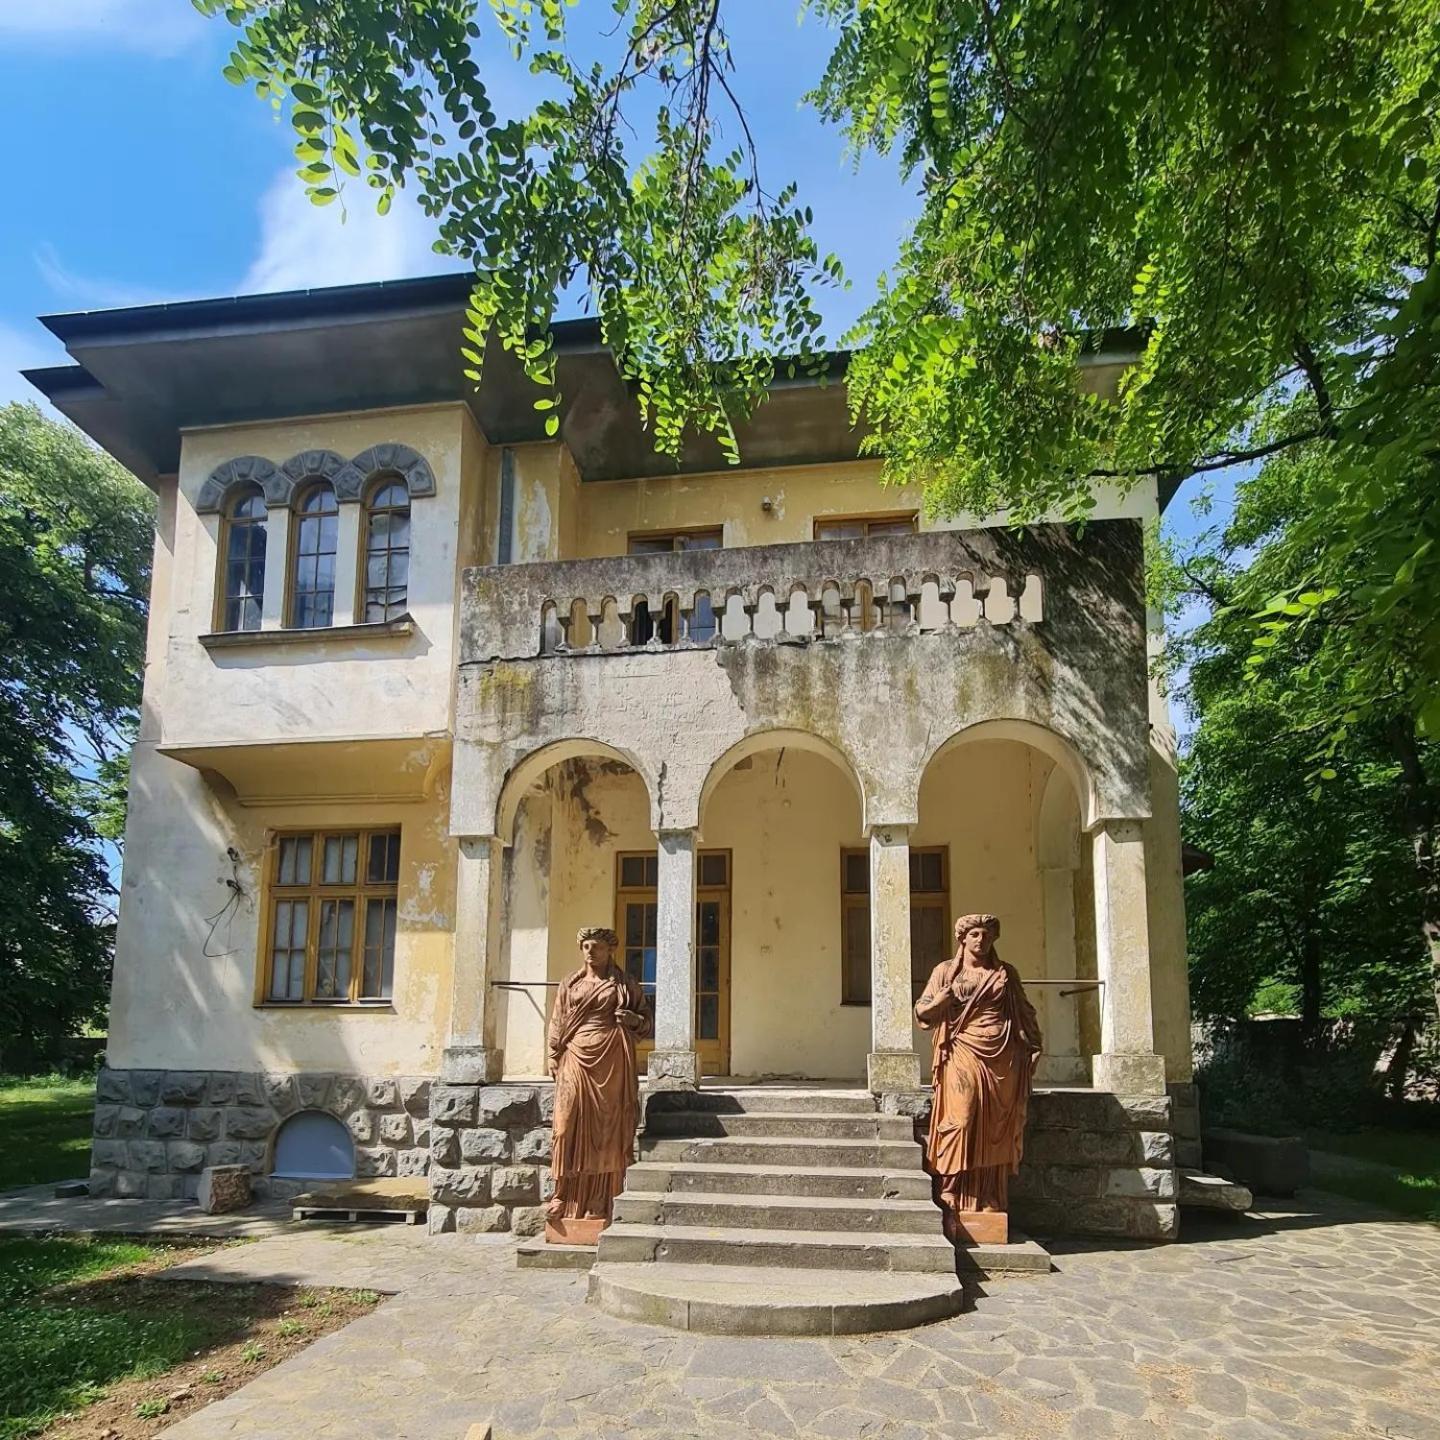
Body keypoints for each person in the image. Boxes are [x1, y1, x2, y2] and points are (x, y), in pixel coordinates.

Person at [915, 912, 1043, 1220]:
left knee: (993, 1126)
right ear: (963, 938)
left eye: (986, 935)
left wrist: (1035, 1045)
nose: (981, 940)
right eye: (975, 934)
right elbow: (923, 1013)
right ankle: (951, 1185)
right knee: (962, 1117)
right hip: (962, 1050)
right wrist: (941, 1002)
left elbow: (1024, 1011)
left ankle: (988, 1195)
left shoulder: (1005, 974)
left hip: (1003, 1054)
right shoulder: (946, 972)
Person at [545, 926, 651, 1227]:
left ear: (609, 951)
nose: (590, 951)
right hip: (575, 1055)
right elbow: (558, 1019)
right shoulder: (570, 983)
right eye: (586, 946)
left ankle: (598, 1199)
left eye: (597, 946)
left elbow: (645, 1022)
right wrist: (554, 1053)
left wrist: (632, 1019)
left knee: (606, 1130)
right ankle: (562, 1192)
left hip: (611, 1057)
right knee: (565, 1126)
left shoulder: (625, 984)